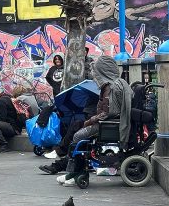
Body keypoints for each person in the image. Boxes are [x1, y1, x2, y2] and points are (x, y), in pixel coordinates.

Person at [56, 55, 132, 185]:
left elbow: (108, 113)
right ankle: (74, 171)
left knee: (77, 137)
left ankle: (76, 173)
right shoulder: (109, 86)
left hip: (107, 125)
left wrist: (90, 121)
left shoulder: (111, 88)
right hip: (105, 123)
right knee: (77, 129)